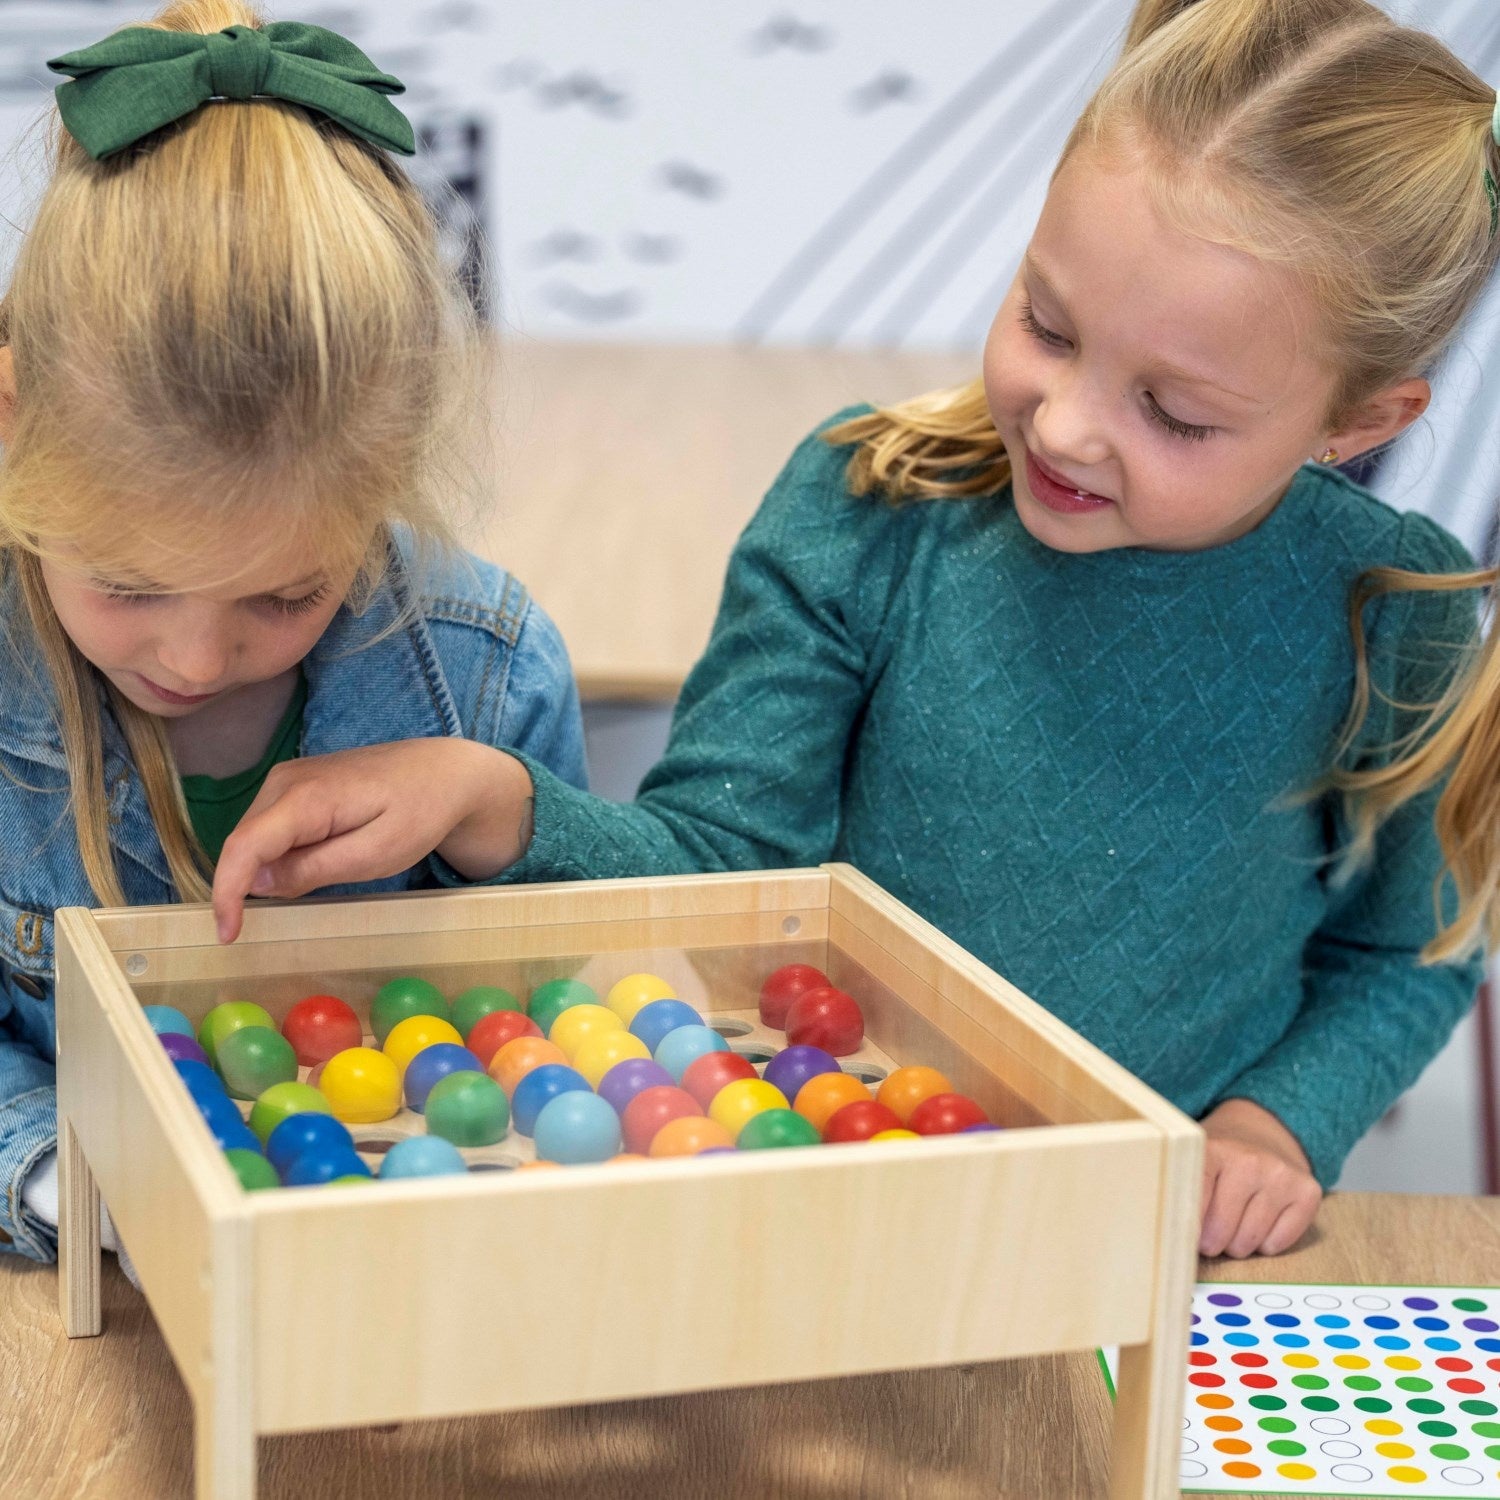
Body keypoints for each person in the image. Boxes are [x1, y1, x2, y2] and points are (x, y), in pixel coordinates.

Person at [213, 0, 1497, 1258]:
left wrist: (1277, 1126)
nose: (1062, 427)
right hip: (834, 1220)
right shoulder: (867, 511)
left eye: (1177, 412)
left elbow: (1409, 953)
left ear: (1363, 421)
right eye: (1046, 325)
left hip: (1137, 1254)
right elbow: (725, 867)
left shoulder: (1402, 612)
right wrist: (493, 798)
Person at [0, 0, 585, 1266]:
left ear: (386, 485)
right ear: (11, 427)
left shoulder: (484, 671)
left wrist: (498, 806)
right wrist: (67, 1180)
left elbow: (591, 1010)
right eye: (131, 585)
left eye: (284, 596)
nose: (197, 663)